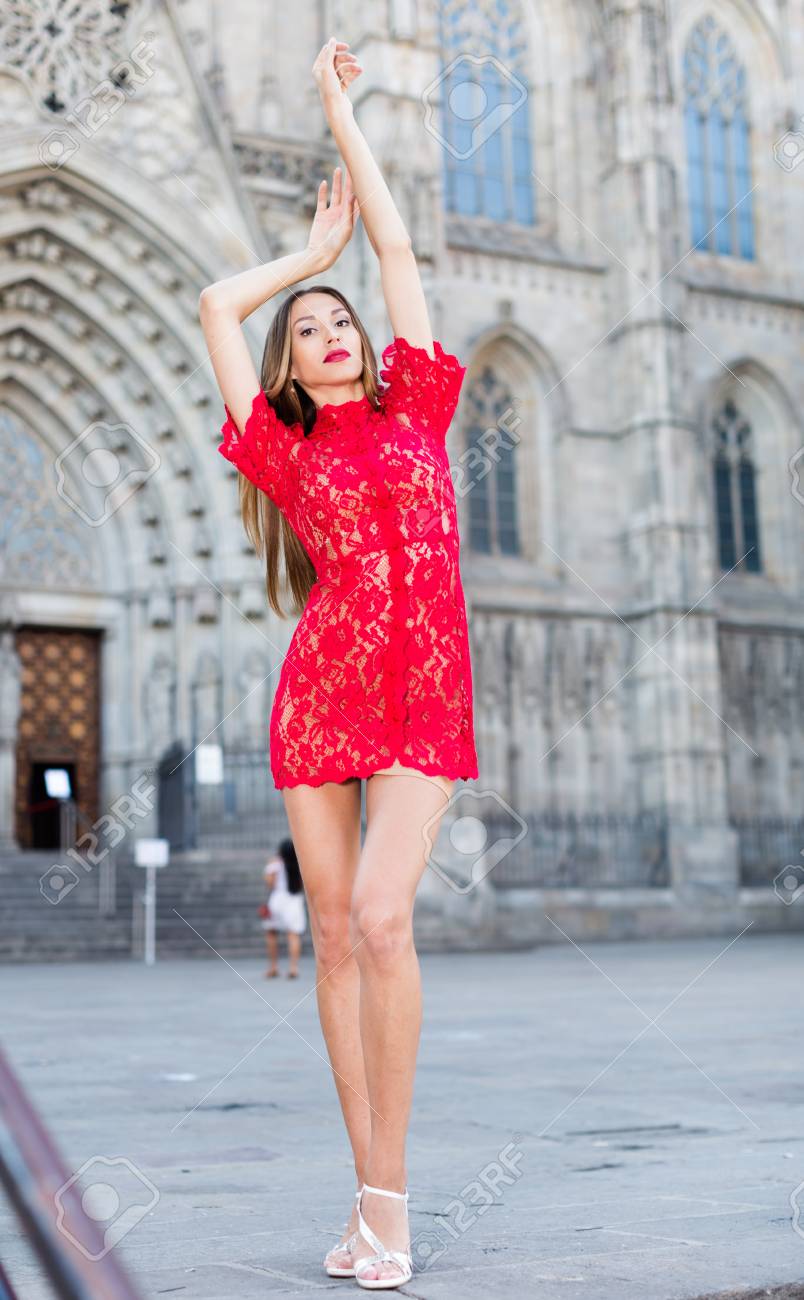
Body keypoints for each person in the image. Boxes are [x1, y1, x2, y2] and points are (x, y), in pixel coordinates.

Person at [199, 36, 478, 1290]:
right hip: (321, 695)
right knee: (333, 938)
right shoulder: (285, 453)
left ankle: (391, 1203)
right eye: (309, 329)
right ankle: (372, 1204)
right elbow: (218, 307)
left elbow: (400, 253)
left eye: (339, 318)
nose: (328, 331)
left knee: (381, 916)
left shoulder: (422, 403)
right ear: (293, 367)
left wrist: (339, 115)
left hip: (425, 696)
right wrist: (305, 262)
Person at [262, 837, 307, 979]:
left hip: (277, 900)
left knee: (271, 933)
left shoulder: (275, 864)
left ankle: (273, 966)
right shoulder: (301, 863)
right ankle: (293, 967)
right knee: (293, 935)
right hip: (294, 901)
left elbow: (270, 883)